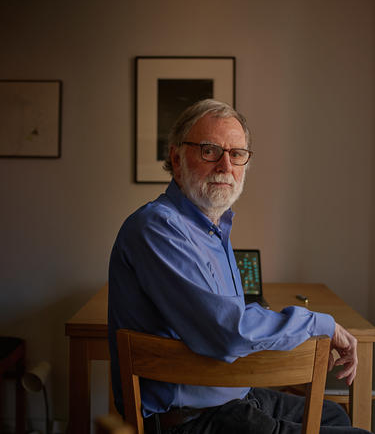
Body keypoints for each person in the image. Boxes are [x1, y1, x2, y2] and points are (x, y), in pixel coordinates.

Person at [108, 99, 368, 433]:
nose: (225, 165)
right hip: (188, 418)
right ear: (176, 158)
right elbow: (228, 331)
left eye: (237, 154)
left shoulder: (213, 228)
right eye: (209, 150)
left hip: (229, 396)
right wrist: (321, 324)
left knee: (333, 416)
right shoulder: (156, 228)